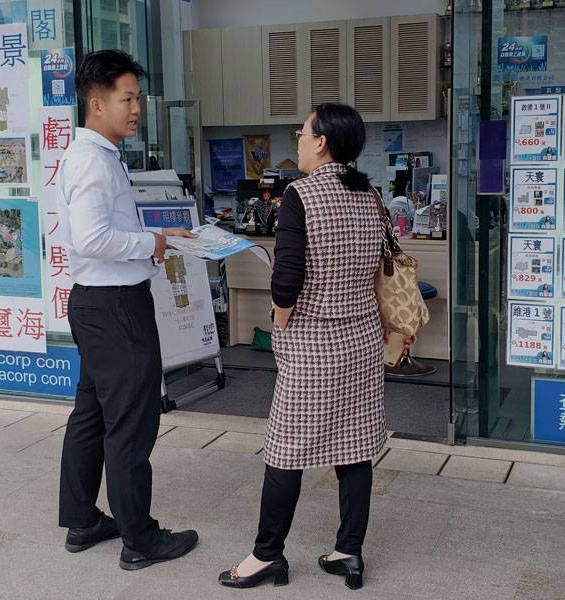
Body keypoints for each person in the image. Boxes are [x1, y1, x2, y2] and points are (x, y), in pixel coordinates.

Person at [218, 103, 386, 591]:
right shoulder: (371, 196)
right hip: (361, 339)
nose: (298, 139)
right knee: (355, 449)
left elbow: (287, 279)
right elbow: (377, 268)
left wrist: (279, 320)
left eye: (303, 132)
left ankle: (267, 555)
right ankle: (348, 553)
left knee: (285, 451)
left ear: (322, 142)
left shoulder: (301, 194)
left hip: (314, 342)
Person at [55, 49, 198, 571]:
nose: (137, 108)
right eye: (128, 98)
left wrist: (160, 236)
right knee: (130, 425)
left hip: (96, 304)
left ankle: (83, 520)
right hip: (116, 308)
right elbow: (93, 238)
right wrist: (151, 244)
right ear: (97, 104)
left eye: (137, 98)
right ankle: (140, 539)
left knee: (91, 415)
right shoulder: (93, 160)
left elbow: (101, 232)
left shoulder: (93, 154)